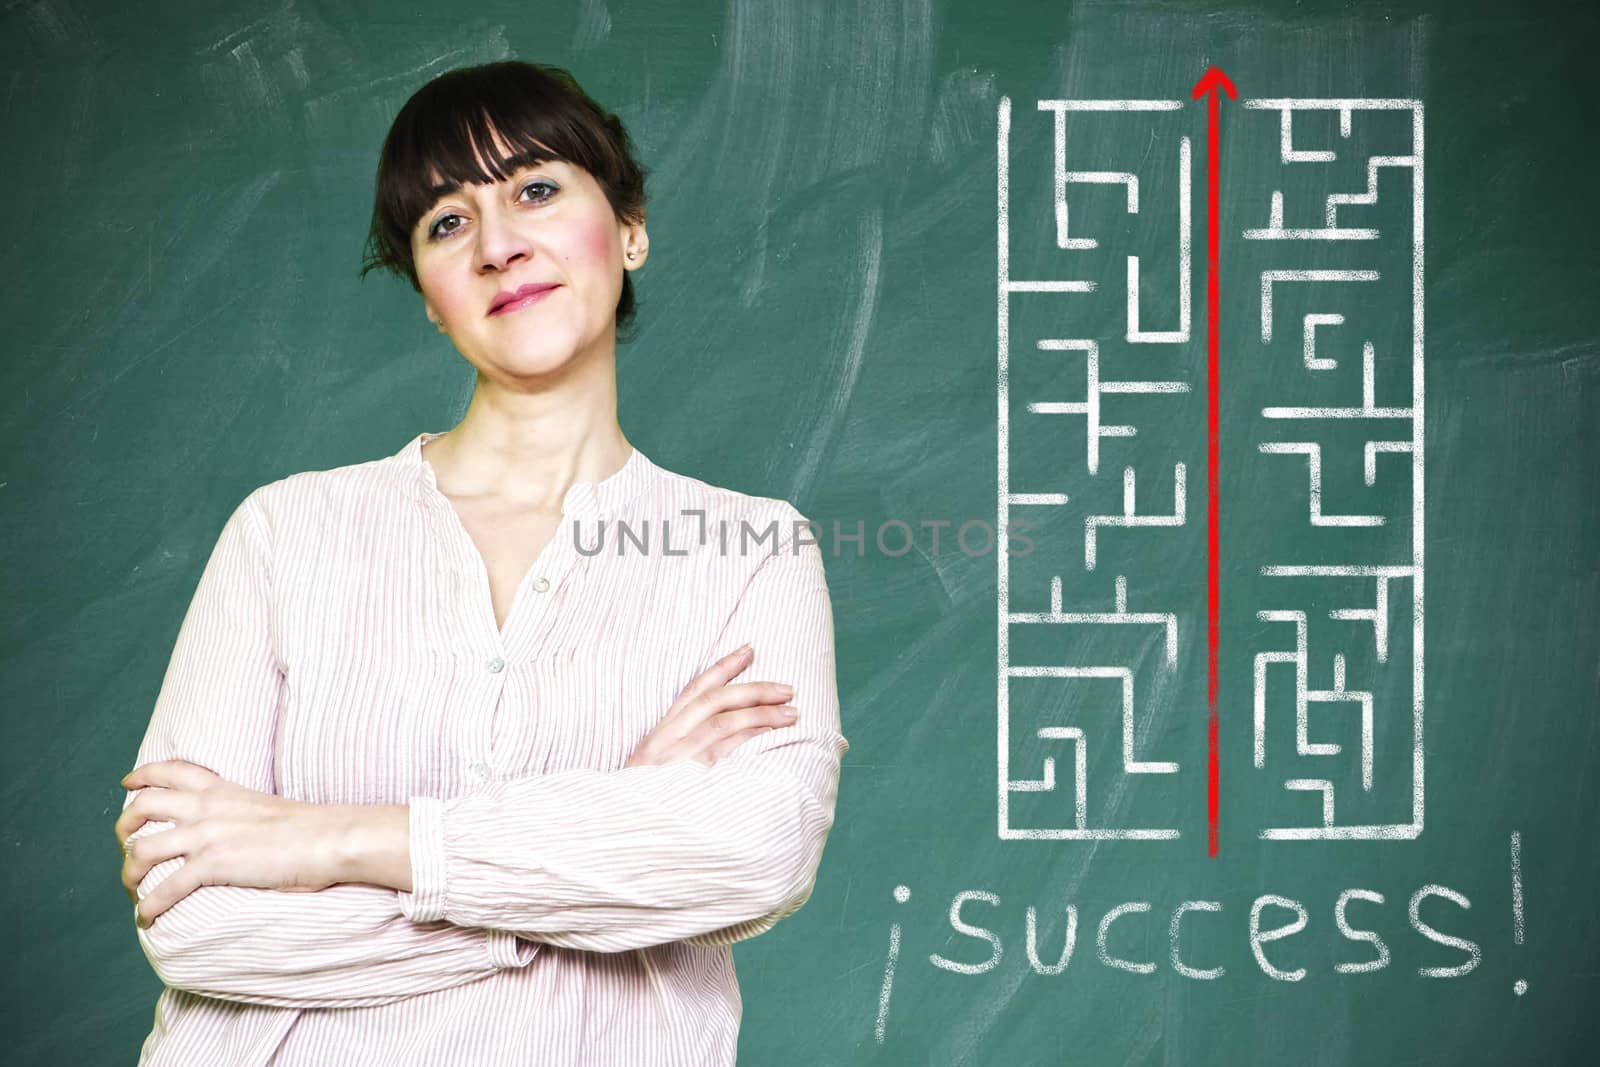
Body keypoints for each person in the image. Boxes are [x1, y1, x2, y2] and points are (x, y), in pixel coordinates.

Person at [113, 60, 849, 1066]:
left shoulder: (750, 550)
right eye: (447, 223)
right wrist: (608, 833)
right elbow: (188, 912)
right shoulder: (284, 533)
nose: (500, 244)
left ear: (629, 226)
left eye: (536, 190)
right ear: (426, 292)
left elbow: (753, 854)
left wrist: (328, 840)